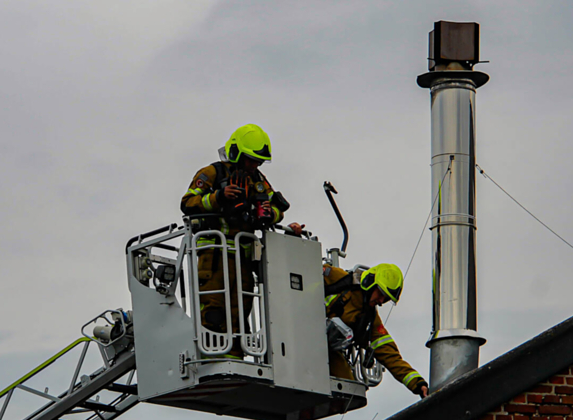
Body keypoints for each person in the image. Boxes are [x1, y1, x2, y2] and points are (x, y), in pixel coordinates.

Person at [180, 124, 303, 357]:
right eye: (250, 159)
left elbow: (277, 209)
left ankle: (234, 358)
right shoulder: (212, 173)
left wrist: (270, 213)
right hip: (214, 255)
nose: (254, 165)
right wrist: (218, 197)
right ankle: (210, 359)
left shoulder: (258, 179)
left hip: (243, 256)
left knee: (240, 309)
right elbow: (187, 203)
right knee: (214, 308)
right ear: (236, 152)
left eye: (258, 161)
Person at [323, 262, 428, 396]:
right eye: (381, 294)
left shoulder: (369, 318)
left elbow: (389, 353)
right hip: (299, 331)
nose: (381, 301)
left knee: (348, 391)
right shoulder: (337, 278)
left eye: (385, 299)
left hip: (325, 349)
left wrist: (417, 383)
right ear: (370, 282)